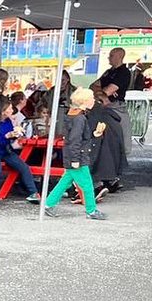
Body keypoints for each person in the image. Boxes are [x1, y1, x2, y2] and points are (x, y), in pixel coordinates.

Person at [43, 88, 107, 220]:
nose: (94, 100)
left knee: (65, 182)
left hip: (72, 155)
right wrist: (75, 159)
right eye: (91, 98)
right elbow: (75, 140)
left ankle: (49, 204)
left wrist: (94, 135)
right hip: (78, 156)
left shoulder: (73, 115)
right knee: (87, 185)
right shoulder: (80, 118)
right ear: (85, 101)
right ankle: (91, 210)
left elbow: (74, 138)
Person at [0, 99, 40, 202]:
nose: (12, 110)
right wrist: (7, 136)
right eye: (10, 108)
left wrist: (15, 135)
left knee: (24, 167)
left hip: (7, 150)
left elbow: (10, 137)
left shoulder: (8, 121)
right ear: (3, 111)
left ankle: (33, 192)